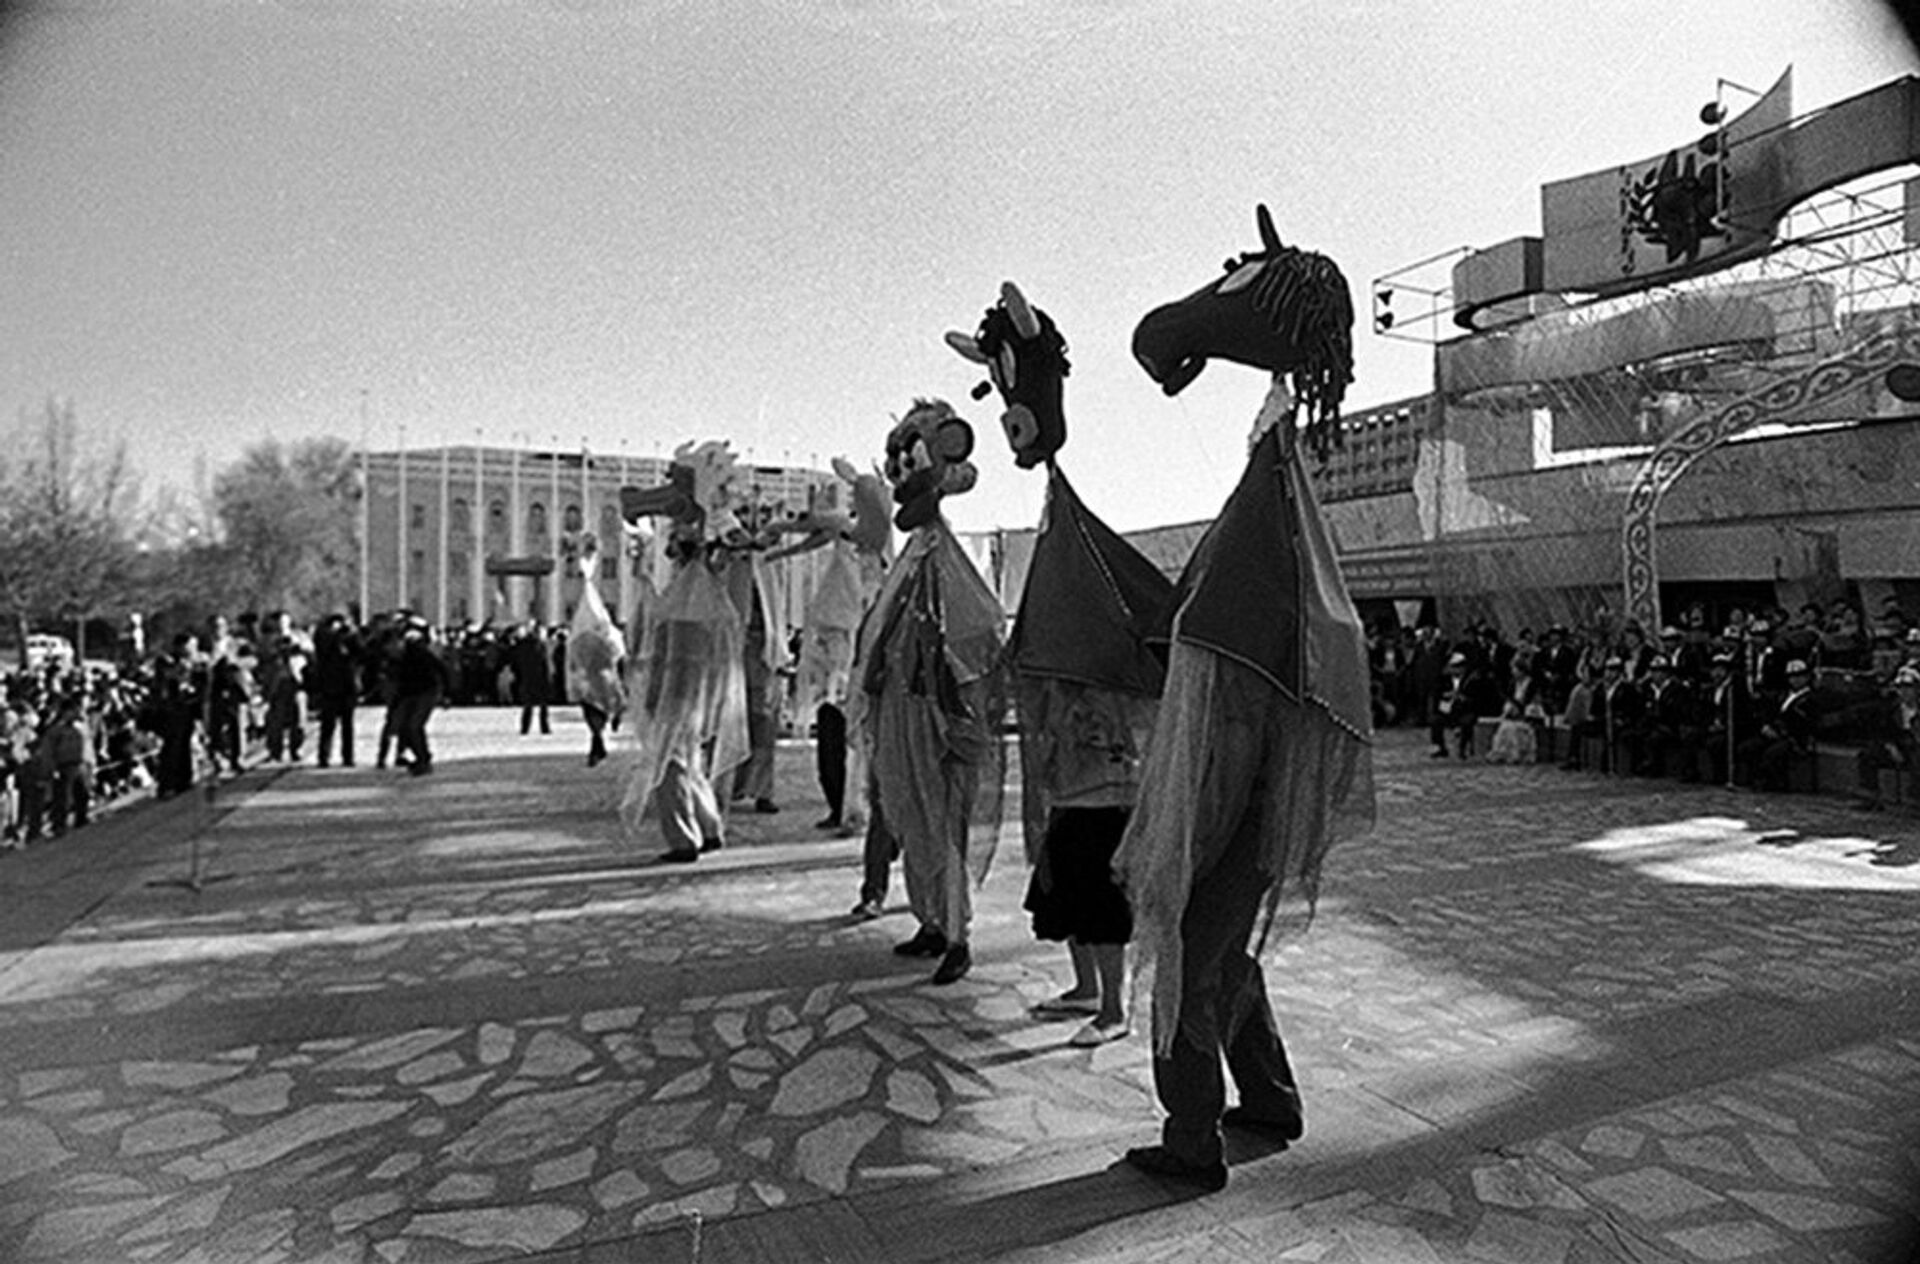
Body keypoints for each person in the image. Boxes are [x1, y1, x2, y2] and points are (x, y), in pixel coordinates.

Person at [947, 280, 1175, 1045]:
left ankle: (1112, 1008)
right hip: (1069, 798)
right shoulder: (1065, 667)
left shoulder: (1108, 676)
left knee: (1101, 903)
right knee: (1068, 899)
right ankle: (1083, 990)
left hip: (1104, 801)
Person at [854, 399, 1008, 985]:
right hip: (902, 709)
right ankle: (931, 922)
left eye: (909, 458)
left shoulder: (943, 557)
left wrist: (953, 692)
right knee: (909, 815)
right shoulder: (914, 556)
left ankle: (957, 934)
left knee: (943, 825)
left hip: (936, 714)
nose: (899, 473)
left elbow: (980, 628)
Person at [390, 618, 449, 775]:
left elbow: (441, 670)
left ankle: (423, 759)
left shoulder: (421, 655)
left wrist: (446, 694)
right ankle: (421, 756)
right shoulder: (405, 657)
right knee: (406, 727)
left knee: (414, 726)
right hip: (412, 693)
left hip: (426, 693)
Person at [310, 613, 362, 768]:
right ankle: (324, 756)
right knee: (328, 724)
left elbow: (360, 652)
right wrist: (337, 635)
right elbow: (321, 644)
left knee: (347, 724)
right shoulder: (324, 637)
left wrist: (351, 634)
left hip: (346, 685)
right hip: (329, 685)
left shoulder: (350, 639)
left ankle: (348, 756)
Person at [510, 621, 554, 737]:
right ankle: (543, 727)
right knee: (541, 705)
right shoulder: (539, 645)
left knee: (530, 705)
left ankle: (526, 728)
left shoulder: (524, 645)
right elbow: (545, 663)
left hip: (528, 677)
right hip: (537, 677)